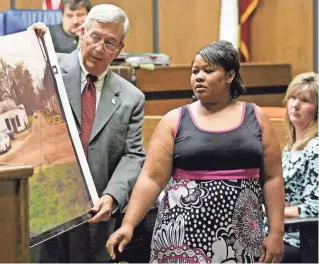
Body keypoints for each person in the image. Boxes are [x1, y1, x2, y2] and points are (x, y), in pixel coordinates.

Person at [106, 40, 286, 263]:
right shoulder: (175, 119)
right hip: (181, 237)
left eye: (208, 71)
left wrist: (276, 232)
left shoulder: (257, 117)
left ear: (230, 76)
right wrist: (129, 224)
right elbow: (151, 179)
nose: (199, 77)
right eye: (195, 71)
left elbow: (272, 178)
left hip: (241, 238)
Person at [31, 4, 145, 262]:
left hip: (97, 219)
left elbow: (134, 155)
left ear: (119, 49)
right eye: (94, 37)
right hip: (46, 216)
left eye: (110, 42)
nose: (99, 48)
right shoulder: (48, 67)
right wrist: (28, 45)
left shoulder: (131, 98)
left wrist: (113, 195)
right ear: (82, 32)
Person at [278, 72, 318, 262]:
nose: (295, 105)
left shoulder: (316, 148)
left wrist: (274, 208)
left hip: (299, 239)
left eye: (304, 100)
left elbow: (316, 208)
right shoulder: (291, 145)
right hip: (276, 230)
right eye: (293, 97)